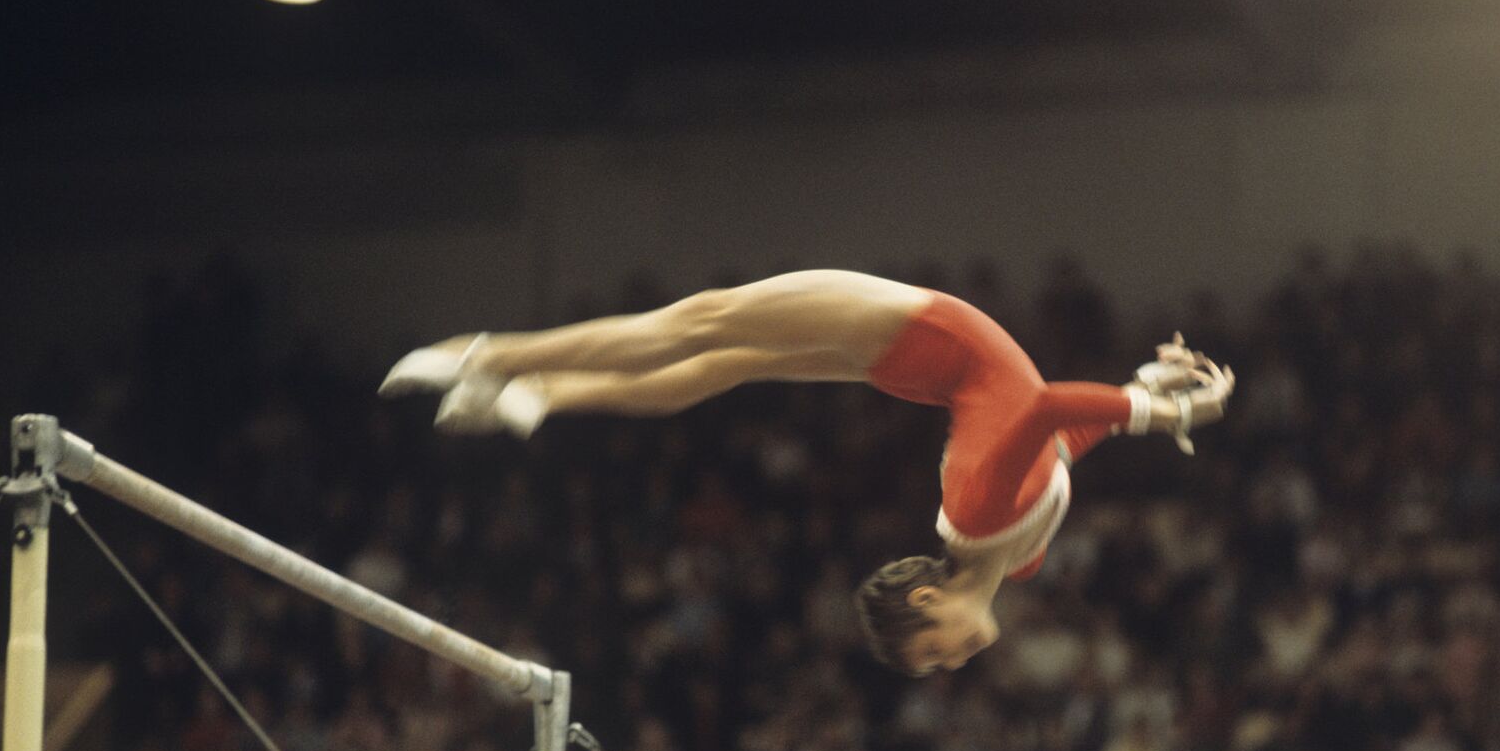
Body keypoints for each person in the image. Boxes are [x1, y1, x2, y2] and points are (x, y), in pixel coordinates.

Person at [380, 269, 1233, 676]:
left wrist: (1158, 412)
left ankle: (505, 371)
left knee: (701, 334)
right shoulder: (1019, 556)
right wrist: (1143, 397)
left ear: (927, 601)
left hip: (923, 334)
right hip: (927, 358)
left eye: (930, 654)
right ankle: (516, 377)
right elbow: (1057, 439)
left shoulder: (978, 518)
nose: (948, 665)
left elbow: (1043, 408)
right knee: (712, 348)